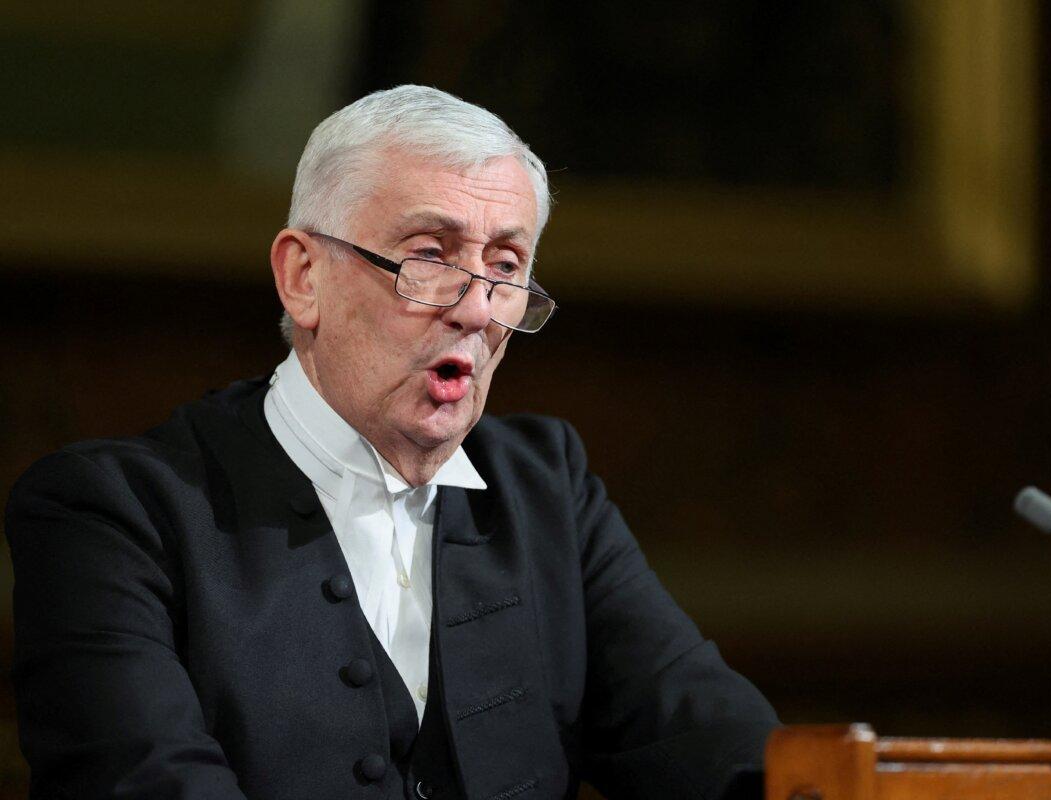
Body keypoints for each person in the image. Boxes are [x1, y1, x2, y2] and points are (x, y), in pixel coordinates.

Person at [5, 85, 779, 800]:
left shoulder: (547, 490)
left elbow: (709, 739)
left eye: (505, 267)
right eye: (431, 256)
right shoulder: (111, 516)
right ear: (303, 276)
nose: (477, 311)